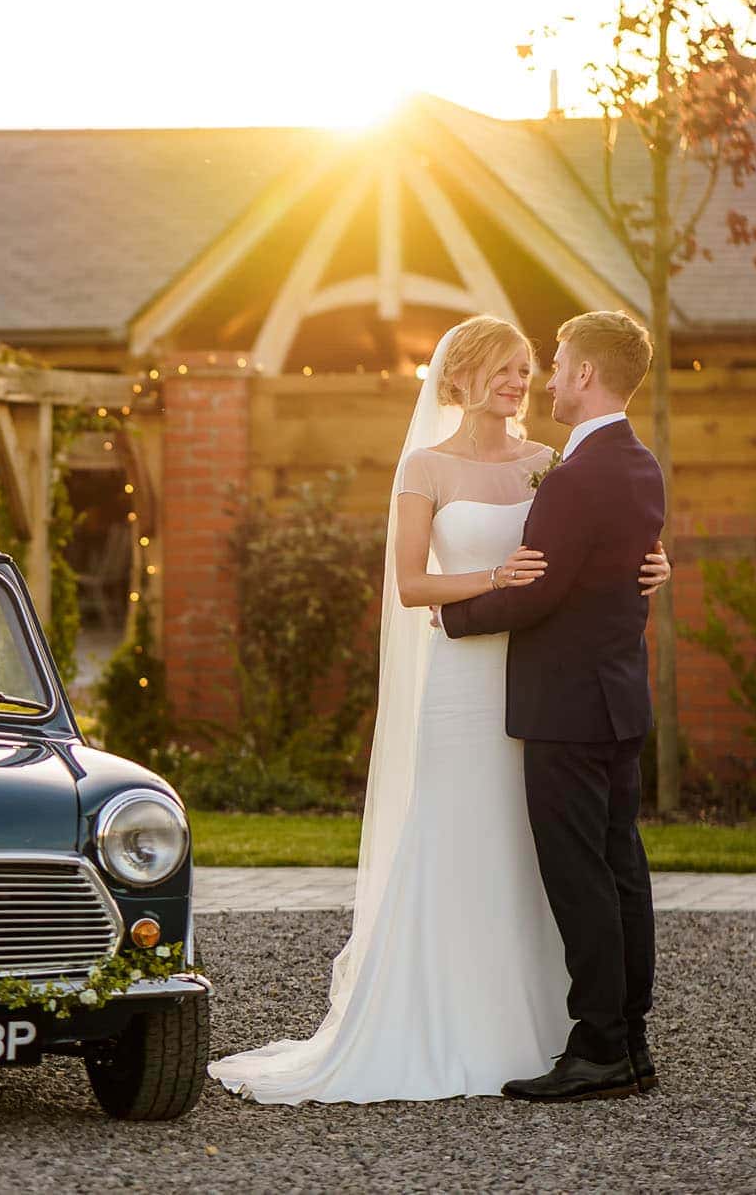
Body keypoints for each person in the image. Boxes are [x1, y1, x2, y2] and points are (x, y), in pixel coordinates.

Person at [207, 314, 670, 1104]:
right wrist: (487, 584)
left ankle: (574, 1032)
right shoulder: (426, 467)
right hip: (471, 684)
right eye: (506, 367)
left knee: (554, 861)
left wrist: (653, 564)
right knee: (484, 840)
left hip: (537, 677)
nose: (524, 380)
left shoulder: (552, 465)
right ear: (456, 379)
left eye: (532, 366)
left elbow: (578, 559)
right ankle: (500, 1022)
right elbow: (412, 584)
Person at [439, 309, 664, 1103]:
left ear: (586, 376)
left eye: (560, 360)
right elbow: (619, 567)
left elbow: (537, 592)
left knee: (581, 879)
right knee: (621, 869)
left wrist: (450, 616)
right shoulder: (642, 464)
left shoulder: (575, 476)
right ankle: (630, 1040)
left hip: (566, 707)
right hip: (620, 700)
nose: (552, 374)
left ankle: (599, 1046)